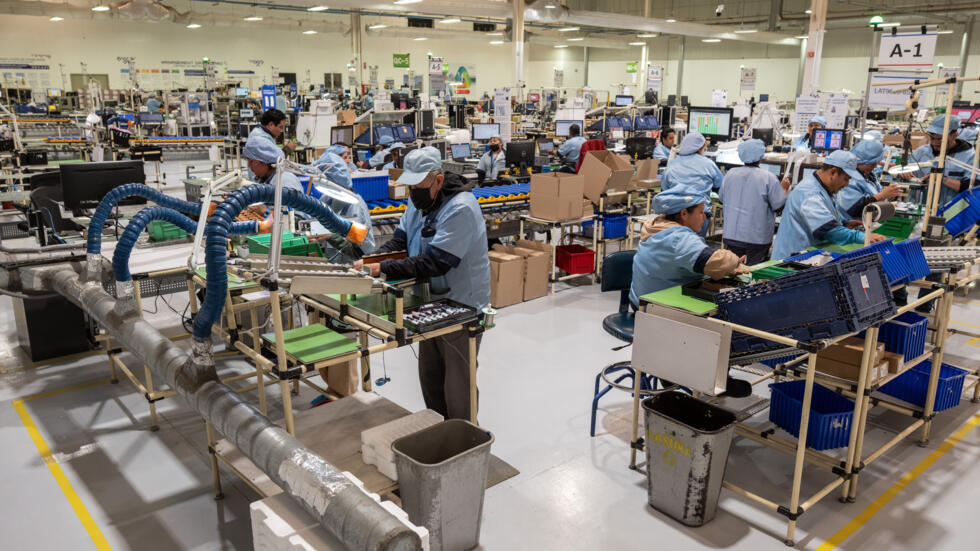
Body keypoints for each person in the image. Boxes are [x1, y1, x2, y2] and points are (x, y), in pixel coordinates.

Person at [354, 147, 490, 420]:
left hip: (463, 306)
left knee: (458, 382)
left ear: (438, 181)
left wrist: (383, 268)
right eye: (410, 186)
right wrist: (376, 259)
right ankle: (438, 428)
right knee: (430, 375)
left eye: (418, 186)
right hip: (429, 304)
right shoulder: (418, 203)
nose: (412, 192)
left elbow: (435, 262)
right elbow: (400, 242)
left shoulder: (461, 207)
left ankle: (465, 436)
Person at [629, 184, 748, 309]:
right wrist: (733, 262)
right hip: (655, 310)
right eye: (701, 212)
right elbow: (718, 261)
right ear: (684, 213)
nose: (704, 217)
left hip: (640, 299)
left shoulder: (656, 226)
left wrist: (719, 269)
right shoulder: (678, 239)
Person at [771, 150, 888, 260]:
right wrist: (864, 237)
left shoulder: (823, 187)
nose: (847, 184)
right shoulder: (809, 193)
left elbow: (827, 212)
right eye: (846, 179)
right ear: (833, 172)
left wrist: (845, 223)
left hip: (806, 257)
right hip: (788, 261)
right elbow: (829, 230)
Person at [718, 139, 791, 265]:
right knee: (754, 273)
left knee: (733, 269)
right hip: (757, 238)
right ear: (761, 156)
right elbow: (778, 205)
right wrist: (784, 189)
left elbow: (721, 198)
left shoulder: (730, 174)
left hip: (732, 236)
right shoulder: (768, 178)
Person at [899, 115, 976, 207]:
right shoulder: (921, 152)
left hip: (949, 212)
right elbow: (902, 171)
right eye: (932, 138)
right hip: (915, 208)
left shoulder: (970, 157)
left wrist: (941, 178)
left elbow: (972, 188)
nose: (935, 143)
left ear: (954, 135)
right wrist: (903, 173)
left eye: (940, 139)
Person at [309, 152, 376, 258]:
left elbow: (359, 242)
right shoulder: (327, 198)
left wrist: (330, 236)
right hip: (333, 258)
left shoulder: (354, 204)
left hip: (354, 260)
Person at [836, 139, 903, 221]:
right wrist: (882, 195)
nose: (875, 166)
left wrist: (890, 195)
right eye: (872, 164)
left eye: (876, 162)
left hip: (870, 221)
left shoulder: (868, 175)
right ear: (860, 162)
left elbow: (874, 195)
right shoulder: (849, 178)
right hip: (854, 225)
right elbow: (854, 209)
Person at [659, 132, 723, 193]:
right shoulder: (708, 164)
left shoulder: (672, 164)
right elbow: (720, 186)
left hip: (673, 203)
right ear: (700, 148)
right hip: (699, 203)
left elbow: (664, 189)